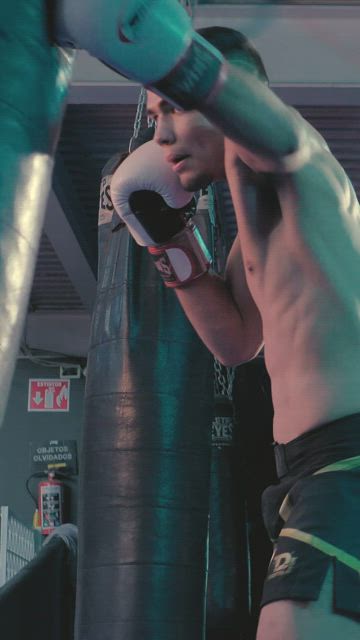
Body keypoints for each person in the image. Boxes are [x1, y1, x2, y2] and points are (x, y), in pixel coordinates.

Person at [109, 23, 360, 640]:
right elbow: (237, 342)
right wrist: (166, 236)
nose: (159, 134)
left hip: (347, 460)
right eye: (152, 115)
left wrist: (160, 42)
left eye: (172, 108)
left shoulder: (300, 161)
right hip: (307, 471)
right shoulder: (260, 226)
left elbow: (266, 122)